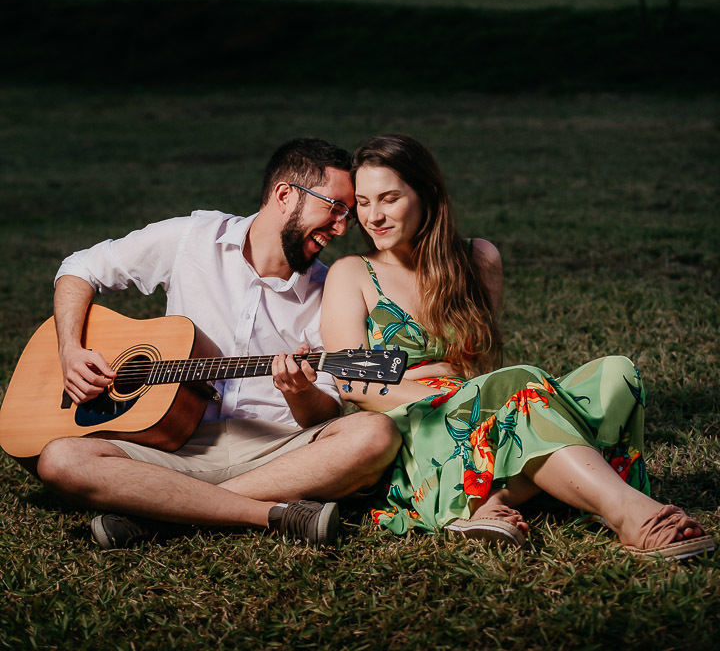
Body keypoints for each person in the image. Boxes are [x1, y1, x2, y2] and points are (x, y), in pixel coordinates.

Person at [321, 134, 716, 560]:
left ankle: (495, 499)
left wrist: (473, 391)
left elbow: (479, 365)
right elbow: (353, 386)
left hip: (481, 415)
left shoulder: (478, 258)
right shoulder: (352, 273)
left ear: (427, 195)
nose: (373, 216)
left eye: (389, 198)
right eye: (362, 202)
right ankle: (628, 512)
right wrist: (445, 391)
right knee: (522, 384)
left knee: (616, 373)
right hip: (417, 432)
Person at [36, 137, 400, 549]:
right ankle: (267, 513)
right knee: (60, 459)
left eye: (347, 216)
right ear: (285, 195)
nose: (341, 228)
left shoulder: (330, 289)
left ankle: (166, 516)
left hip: (276, 453)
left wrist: (299, 393)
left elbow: (326, 411)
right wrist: (70, 348)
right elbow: (81, 268)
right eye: (334, 208)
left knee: (375, 434)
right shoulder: (191, 239)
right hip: (171, 442)